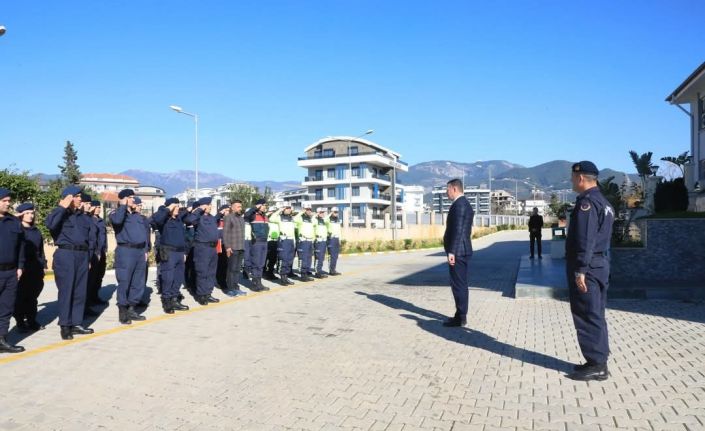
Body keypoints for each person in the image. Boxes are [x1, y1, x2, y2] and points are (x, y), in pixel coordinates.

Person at [565, 161, 614, 381]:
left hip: (589, 267)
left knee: (587, 314)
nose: (572, 181)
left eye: (573, 178)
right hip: (600, 265)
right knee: (596, 313)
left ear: (581, 178)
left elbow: (585, 239)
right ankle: (597, 358)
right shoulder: (603, 202)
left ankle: (598, 365)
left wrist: (580, 270)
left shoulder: (587, 203)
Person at [45, 185, 96, 340]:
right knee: (67, 291)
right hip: (66, 254)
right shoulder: (60, 214)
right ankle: (65, 325)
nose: (80, 198)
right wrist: (62, 206)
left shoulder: (83, 217)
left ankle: (76, 323)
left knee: (80, 291)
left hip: (82, 255)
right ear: (69, 198)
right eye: (78, 196)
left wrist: (89, 257)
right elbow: (50, 225)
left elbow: (90, 239)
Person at [109, 189, 148, 324]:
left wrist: (145, 251)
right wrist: (123, 206)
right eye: (131, 197)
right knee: (124, 281)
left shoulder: (137, 216)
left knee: (137, 282)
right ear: (124, 199)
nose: (133, 200)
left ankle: (132, 308)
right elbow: (118, 221)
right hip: (126, 251)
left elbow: (144, 235)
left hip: (139, 252)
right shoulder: (116, 214)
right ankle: (123, 310)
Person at [442, 179, 474, 328]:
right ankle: (460, 314)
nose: (446, 192)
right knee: (460, 284)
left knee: (458, 285)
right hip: (462, 250)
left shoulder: (460, 205)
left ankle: (461, 317)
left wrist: (452, 252)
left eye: (447, 189)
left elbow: (459, 231)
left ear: (454, 189)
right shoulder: (463, 204)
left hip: (458, 251)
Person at [150, 198, 190, 314]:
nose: (177, 208)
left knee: (178, 278)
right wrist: (168, 208)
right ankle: (166, 301)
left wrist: (184, 252)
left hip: (179, 252)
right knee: (168, 278)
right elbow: (156, 218)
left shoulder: (178, 219)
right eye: (175, 206)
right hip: (168, 252)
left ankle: (174, 299)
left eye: (178, 206)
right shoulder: (163, 219)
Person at [13, 203, 47, 333]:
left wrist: (43, 264)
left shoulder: (36, 231)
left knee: (33, 296)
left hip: (35, 268)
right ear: (21, 215)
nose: (30, 215)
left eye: (32, 213)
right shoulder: (17, 230)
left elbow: (40, 250)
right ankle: (20, 322)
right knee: (20, 296)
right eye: (27, 213)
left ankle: (32, 320)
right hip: (22, 268)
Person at [0, 188, 26, 353]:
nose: (8, 204)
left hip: (10, 272)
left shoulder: (14, 222)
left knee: (6, 308)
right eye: (4, 201)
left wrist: (20, 266)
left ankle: (2, 340)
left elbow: (21, 246)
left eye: (9, 201)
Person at [184, 197, 220, 305]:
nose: (211, 207)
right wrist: (199, 209)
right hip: (202, 248)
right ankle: (201, 295)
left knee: (211, 272)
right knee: (202, 272)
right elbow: (188, 220)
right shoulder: (197, 217)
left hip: (213, 248)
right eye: (209, 205)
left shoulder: (212, 218)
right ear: (204, 206)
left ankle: (208, 293)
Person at [222, 200, 248, 296]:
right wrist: (227, 247)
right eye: (238, 206)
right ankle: (230, 289)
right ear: (232, 207)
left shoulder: (241, 218)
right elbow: (225, 233)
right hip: (232, 247)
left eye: (240, 206)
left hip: (241, 247)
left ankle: (236, 287)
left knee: (237, 269)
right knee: (231, 269)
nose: (240, 208)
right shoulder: (228, 217)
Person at [244, 199, 270, 292]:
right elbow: (245, 216)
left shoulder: (265, 216)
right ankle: (254, 284)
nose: (265, 207)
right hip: (256, 242)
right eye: (263, 205)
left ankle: (259, 282)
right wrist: (255, 208)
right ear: (259, 206)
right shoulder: (253, 215)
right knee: (256, 263)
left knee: (261, 264)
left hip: (264, 241)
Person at [86, 200, 108, 307]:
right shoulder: (89, 220)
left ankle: (95, 296)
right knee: (91, 277)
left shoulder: (101, 220)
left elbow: (104, 237)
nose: (98, 209)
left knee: (99, 275)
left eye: (100, 207)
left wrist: (105, 249)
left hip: (102, 251)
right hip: (94, 252)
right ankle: (88, 300)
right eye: (97, 207)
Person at [269, 204, 296, 285]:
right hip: (283, 240)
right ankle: (282, 277)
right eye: (286, 208)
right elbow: (271, 218)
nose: (288, 209)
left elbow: (293, 230)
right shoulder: (279, 217)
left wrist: (294, 241)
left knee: (289, 260)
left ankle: (286, 276)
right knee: (283, 259)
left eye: (289, 208)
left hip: (291, 240)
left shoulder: (291, 218)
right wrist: (280, 210)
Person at [133, 196, 152, 293]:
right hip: (135, 250)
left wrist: (148, 248)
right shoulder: (130, 219)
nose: (140, 207)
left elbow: (147, 235)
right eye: (138, 205)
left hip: (144, 249)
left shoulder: (144, 219)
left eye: (141, 205)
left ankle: (139, 296)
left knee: (143, 275)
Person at [294, 204, 315, 282]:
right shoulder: (300, 218)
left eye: (310, 209)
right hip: (303, 241)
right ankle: (303, 275)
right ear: (304, 210)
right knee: (303, 258)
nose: (309, 211)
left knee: (309, 258)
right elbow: (294, 219)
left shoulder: (310, 219)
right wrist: (301, 212)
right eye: (307, 209)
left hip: (310, 241)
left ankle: (306, 273)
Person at [215, 205, 230, 292]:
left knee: (225, 264)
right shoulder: (217, 220)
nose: (228, 212)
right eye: (226, 210)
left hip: (227, 244)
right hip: (219, 245)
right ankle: (220, 281)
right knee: (220, 264)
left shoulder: (227, 221)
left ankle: (223, 281)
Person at [263, 210, 280, 281]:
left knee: (273, 259)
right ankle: (266, 273)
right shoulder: (266, 221)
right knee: (267, 259)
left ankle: (270, 272)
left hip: (275, 241)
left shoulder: (276, 222)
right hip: (268, 241)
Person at [325, 207, 342, 276]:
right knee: (331, 255)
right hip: (331, 239)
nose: (336, 213)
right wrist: (329, 214)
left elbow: (339, 230)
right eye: (335, 212)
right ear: (331, 212)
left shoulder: (338, 220)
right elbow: (324, 220)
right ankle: (331, 270)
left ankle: (333, 269)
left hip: (337, 239)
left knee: (335, 256)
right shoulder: (328, 219)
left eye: (337, 212)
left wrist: (340, 239)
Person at [312, 207, 329, 278]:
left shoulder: (323, 221)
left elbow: (327, 219)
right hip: (318, 241)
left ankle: (320, 270)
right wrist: (315, 215)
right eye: (321, 212)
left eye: (323, 212)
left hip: (323, 241)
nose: (322, 214)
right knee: (318, 257)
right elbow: (312, 221)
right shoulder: (315, 220)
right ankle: (317, 272)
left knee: (322, 257)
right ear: (318, 213)